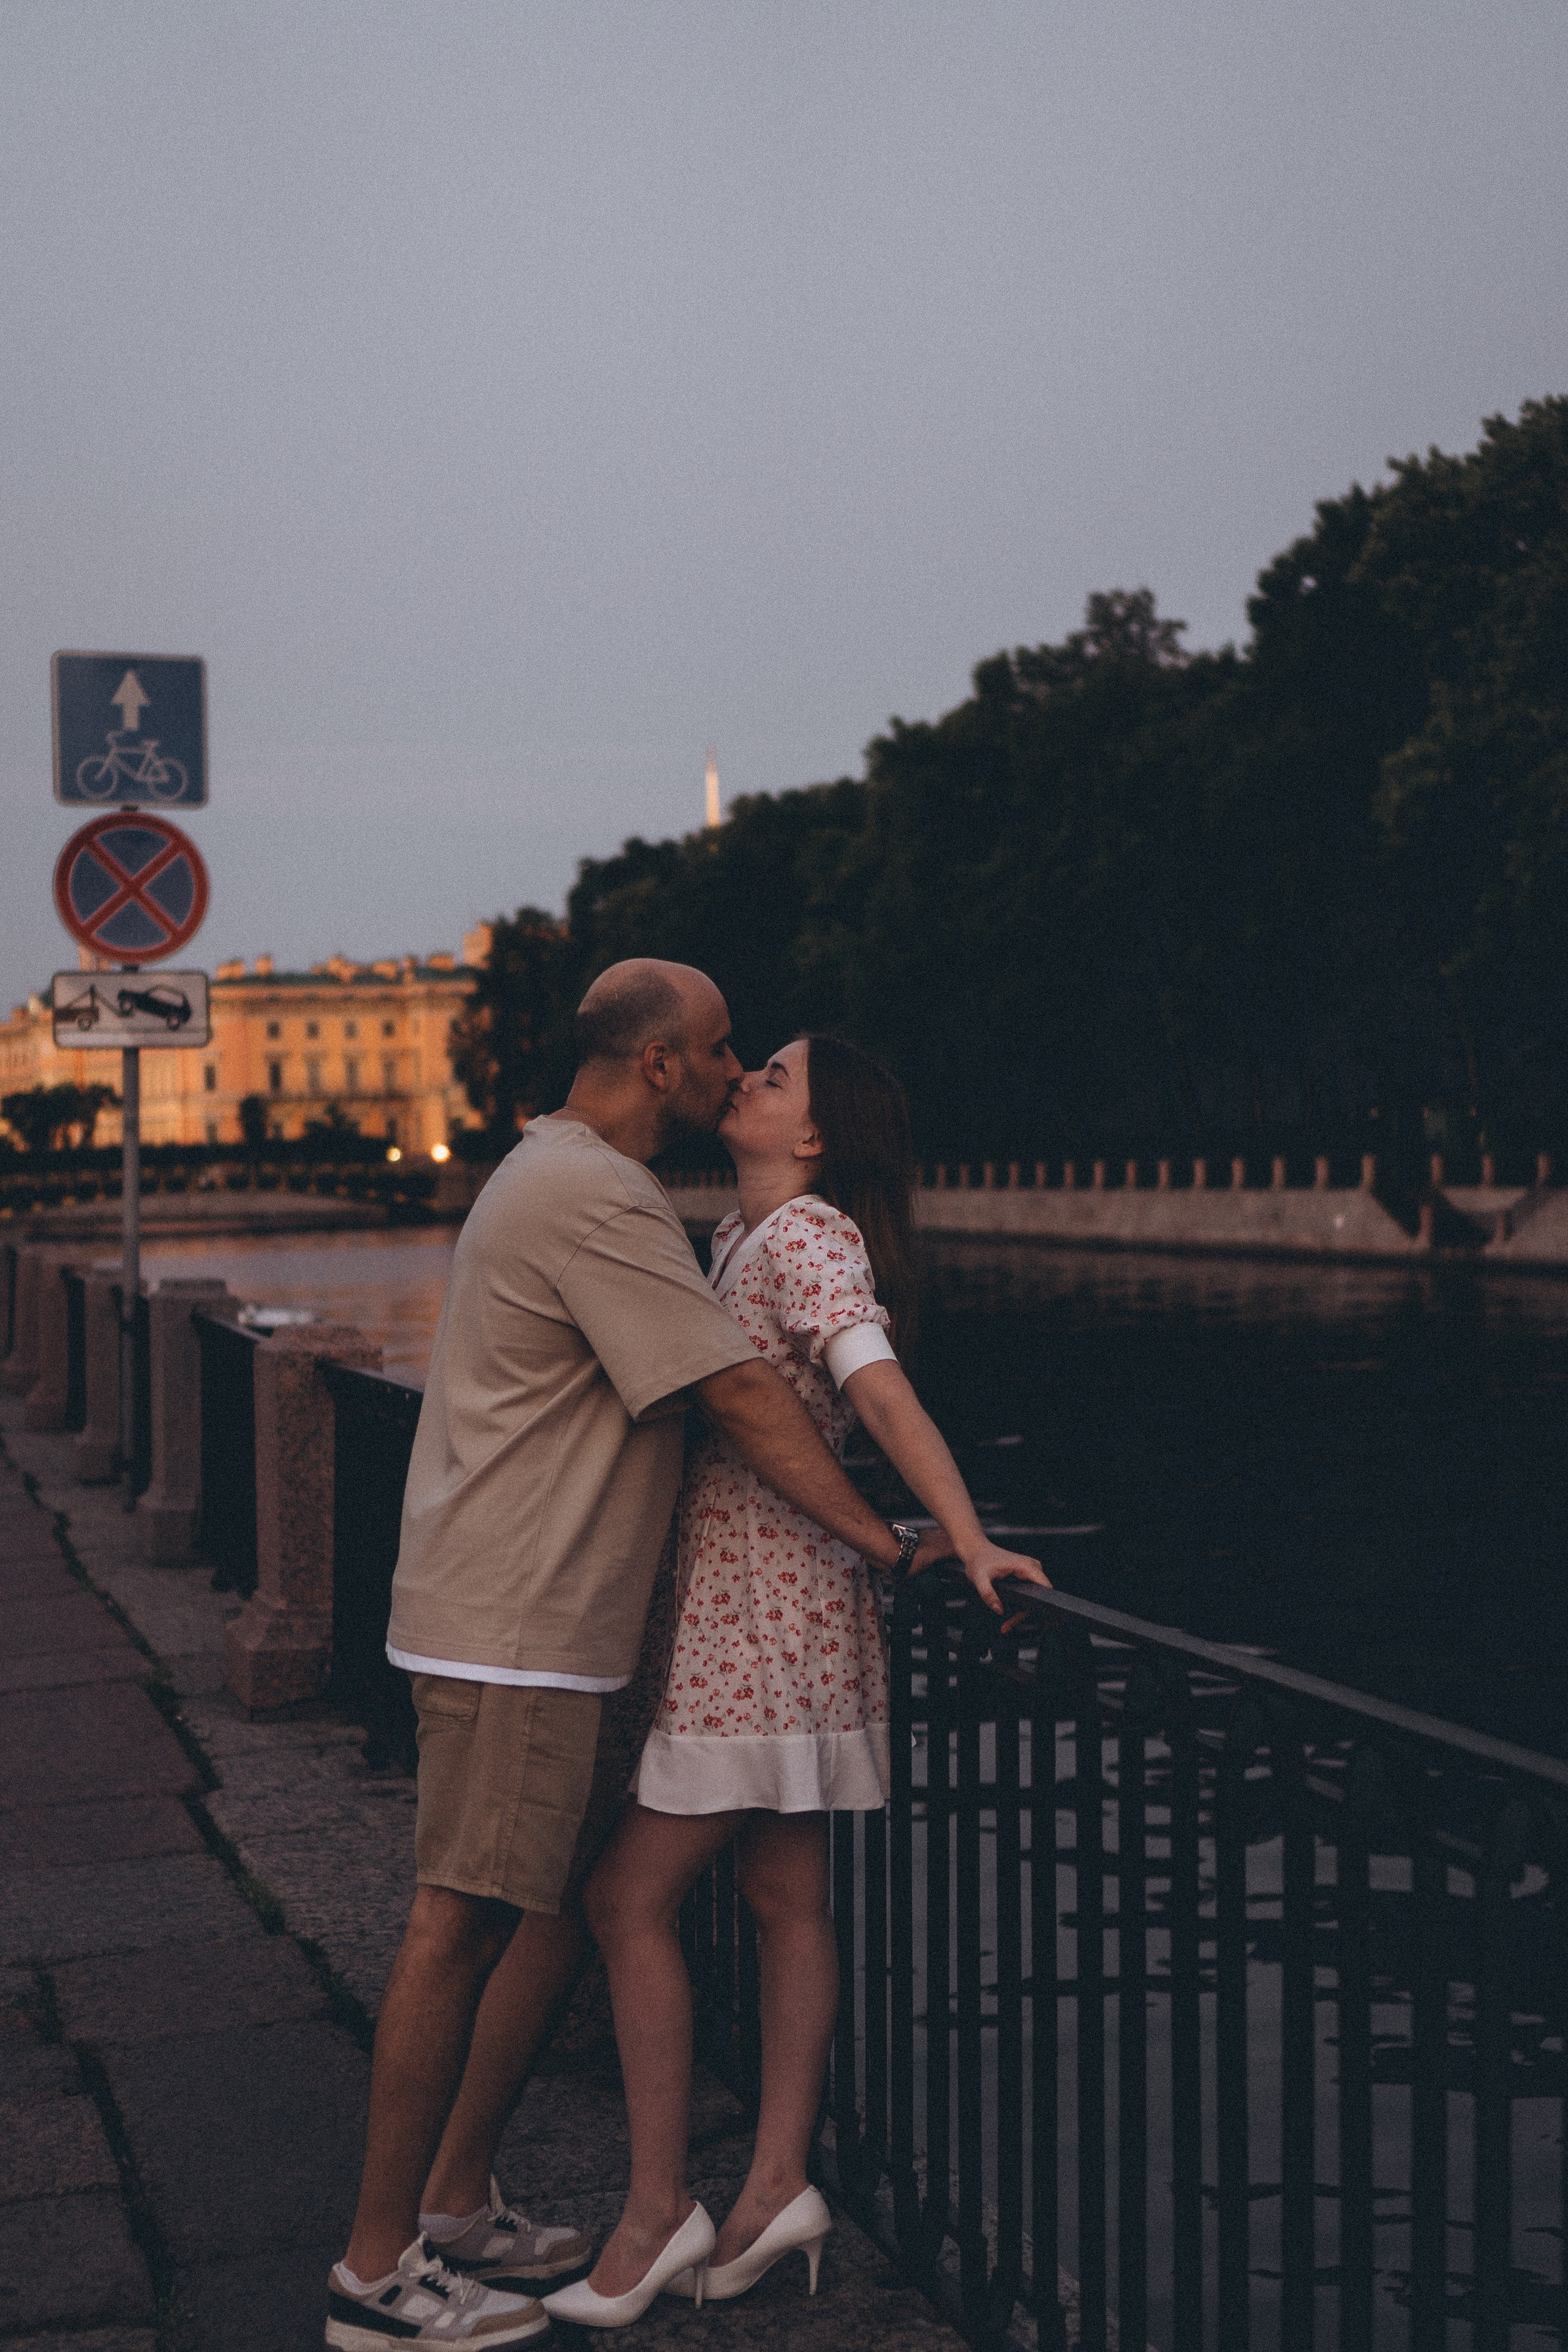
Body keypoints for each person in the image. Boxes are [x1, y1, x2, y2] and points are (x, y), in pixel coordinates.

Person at [326, 969, 954, 2351]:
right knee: (460, 1921)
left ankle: (458, 2201)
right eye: (724, 1051)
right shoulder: (602, 1198)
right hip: (519, 1624)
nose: (735, 1072)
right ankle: (375, 2277)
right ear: (662, 1064)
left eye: (759, 1064)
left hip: (558, 1619)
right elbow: (736, 1391)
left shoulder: (576, 1178)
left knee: (561, 1908)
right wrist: (892, 1542)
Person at [541, 1034, 1049, 2329]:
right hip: (770, 1606)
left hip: (762, 1619)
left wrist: (967, 1536)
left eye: (775, 1076)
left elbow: (878, 1391)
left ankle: (657, 2212)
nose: (749, 1080)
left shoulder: (808, 1236)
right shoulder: (738, 1236)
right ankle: (775, 2188)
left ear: (816, 1138)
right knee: (783, 1898)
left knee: (624, 1897)